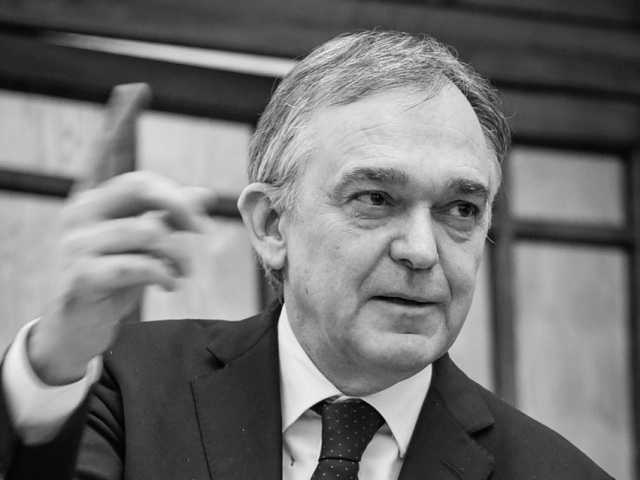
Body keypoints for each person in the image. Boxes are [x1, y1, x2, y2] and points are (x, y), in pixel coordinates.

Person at [0, 30, 613, 480]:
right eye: (376, 198)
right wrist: (57, 357)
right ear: (272, 225)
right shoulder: (127, 388)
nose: (422, 251)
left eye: (461, 209)